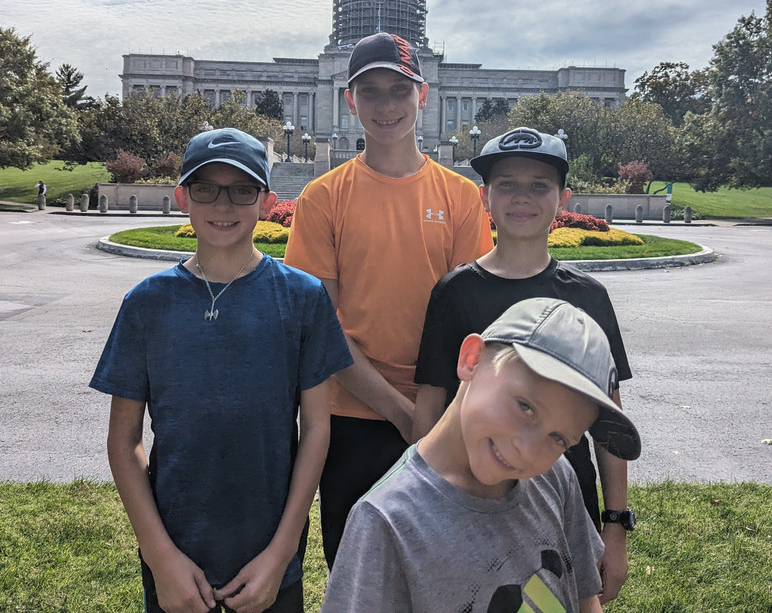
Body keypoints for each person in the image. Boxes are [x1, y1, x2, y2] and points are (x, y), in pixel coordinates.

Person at [90, 127, 352, 613]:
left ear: (267, 202)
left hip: (269, 555)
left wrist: (281, 554)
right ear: (181, 197)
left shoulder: (302, 297)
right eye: (206, 188)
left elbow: (316, 428)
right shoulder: (146, 303)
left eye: (242, 190)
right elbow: (124, 441)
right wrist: (160, 556)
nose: (223, 205)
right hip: (175, 554)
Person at [284, 31, 493, 567]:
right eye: (370, 92)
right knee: (357, 574)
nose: (385, 105)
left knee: (441, 577)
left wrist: (429, 414)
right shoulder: (323, 197)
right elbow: (319, 327)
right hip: (350, 418)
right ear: (349, 100)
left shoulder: (461, 196)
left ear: (423, 96)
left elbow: (472, 322)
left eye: (399, 90)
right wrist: (402, 413)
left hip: (445, 417)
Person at [411, 126, 636, 602]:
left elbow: (609, 427)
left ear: (563, 198)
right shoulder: (456, 292)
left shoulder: (589, 298)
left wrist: (615, 527)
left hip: (565, 507)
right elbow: (429, 409)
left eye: (539, 185)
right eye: (507, 184)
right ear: (484, 196)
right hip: (469, 499)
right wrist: (428, 500)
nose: (522, 197)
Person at [321, 297, 642, 613]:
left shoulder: (556, 477)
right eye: (525, 406)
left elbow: (585, 597)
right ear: (471, 360)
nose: (527, 449)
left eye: (558, 438)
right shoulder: (386, 521)